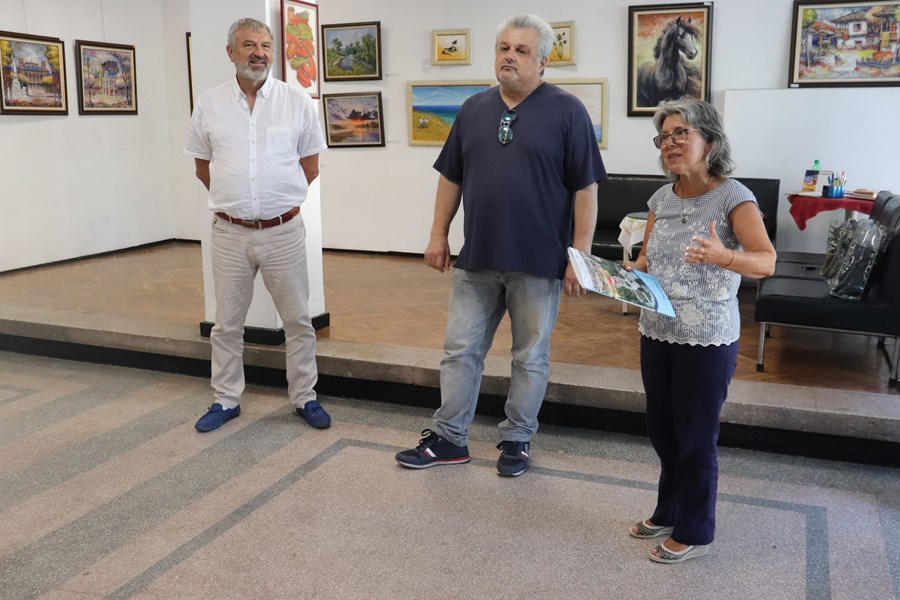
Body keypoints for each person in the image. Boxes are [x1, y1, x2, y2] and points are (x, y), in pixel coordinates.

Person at [394, 13, 607, 477]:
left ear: (543, 62)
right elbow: (451, 177)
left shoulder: (568, 111)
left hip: (539, 262)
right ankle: (450, 438)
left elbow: (586, 188)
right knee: (459, 350)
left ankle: (517, 440)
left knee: (530, 358)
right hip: (477, 259)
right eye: (504, 48)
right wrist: (437, 234)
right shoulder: (473, 109)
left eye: (521, 50)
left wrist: (580, 256)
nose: (509, 56)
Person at [625, 98, 776, 563]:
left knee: (694, 437)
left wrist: (724, 256)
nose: (669, 143)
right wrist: (627, 273)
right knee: (662, 430)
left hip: (707, 337)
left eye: (680, 134)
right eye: (664, 136)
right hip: (656, 330)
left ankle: (695, 528)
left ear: (709, 142)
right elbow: (648, 258)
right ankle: (668, 508)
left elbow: (766, 261)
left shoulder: (734, 196)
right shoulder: (660, 199)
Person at [184, 18, 330, 433]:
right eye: (249, 45)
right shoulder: (209, 103)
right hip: (229, 232)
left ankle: (305, 397)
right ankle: (225, 399)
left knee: (298, 321)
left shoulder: (296, 101)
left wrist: (272, 202)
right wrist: (238, 204)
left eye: (265, 46)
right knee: (226, 324)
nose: (259, 53)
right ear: (231, 52)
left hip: (283, 231)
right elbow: (202, 166)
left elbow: (311, 166)